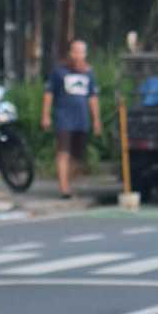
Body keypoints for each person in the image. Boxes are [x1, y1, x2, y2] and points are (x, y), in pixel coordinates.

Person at [41, 36, 101, 202]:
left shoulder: (89, 72)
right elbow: (48, 94)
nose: (78, 55)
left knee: (77, 156)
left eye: (82, 52)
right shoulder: (59, 71)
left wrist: (96, 120)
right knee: (63, 153)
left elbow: (93, 97)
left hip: (82, 119)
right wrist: (45, 115)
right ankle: (64, 188)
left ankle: (68, 182)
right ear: (70, 52)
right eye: (76, 51)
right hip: (63, 118)